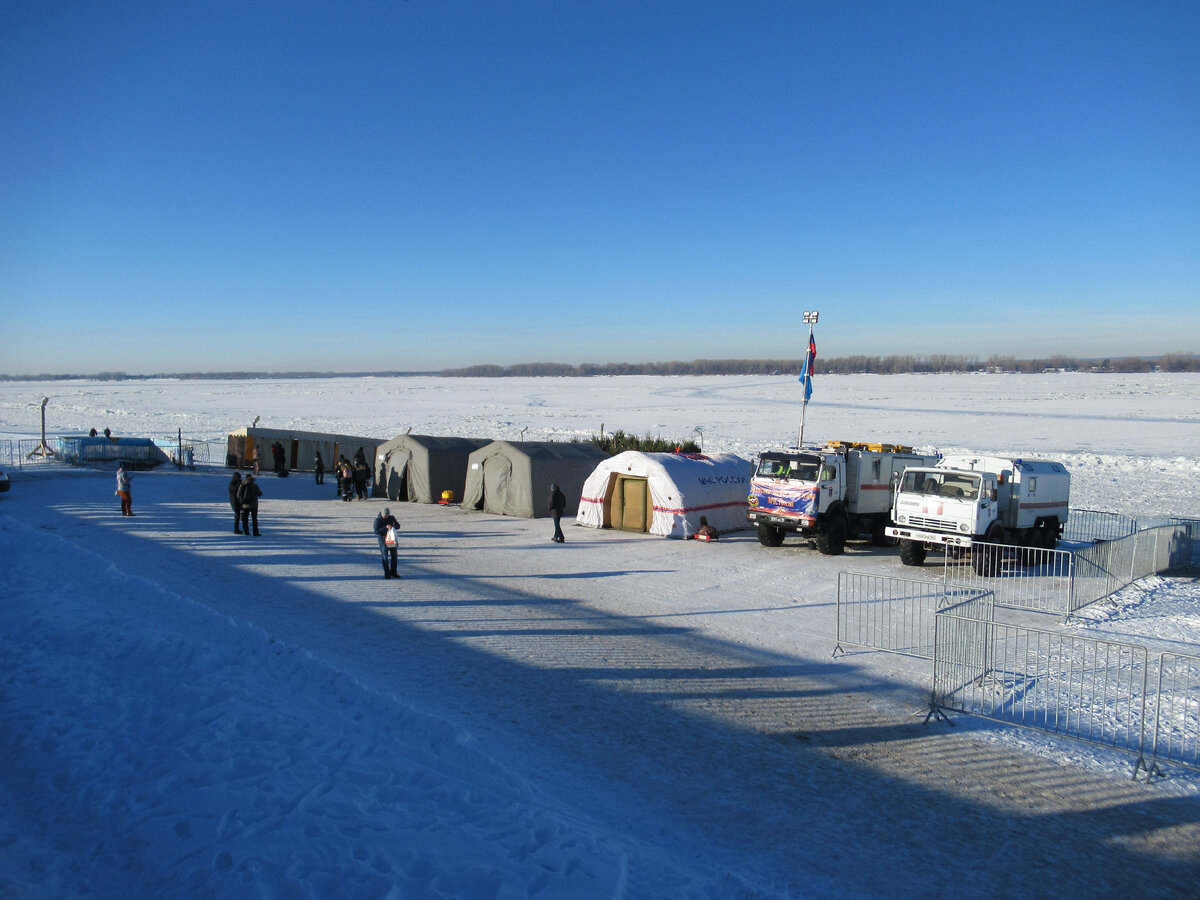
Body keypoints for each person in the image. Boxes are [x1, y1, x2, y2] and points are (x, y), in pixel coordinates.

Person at [373, 507, 401, 579]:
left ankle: (393, 572)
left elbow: (398, 526)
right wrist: (385, 528)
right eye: (385, 516)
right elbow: (376, 531)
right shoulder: (377, 520)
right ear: (381, 514)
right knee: (385, 557)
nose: (386, 517)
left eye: (387, 516)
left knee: (394, 556)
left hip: (391, 540)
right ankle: (387, 573)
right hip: (383, 541)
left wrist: (392, 526)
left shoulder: (391, 518)